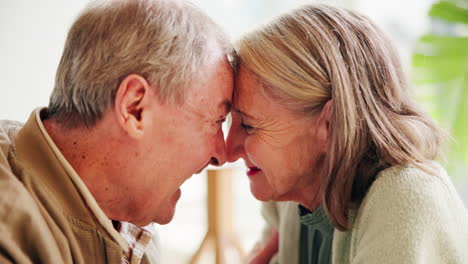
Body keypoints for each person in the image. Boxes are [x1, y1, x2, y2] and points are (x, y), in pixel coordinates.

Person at [227, 4, 468, 264]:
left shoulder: (404, 198)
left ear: (331, 124)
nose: (228, 151)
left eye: (249, 126)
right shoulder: (288, 196)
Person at [0, 0, 235, 263]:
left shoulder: (128, 214)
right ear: (135, 107)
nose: (222, 155)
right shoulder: (9, 233)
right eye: (217, 120)